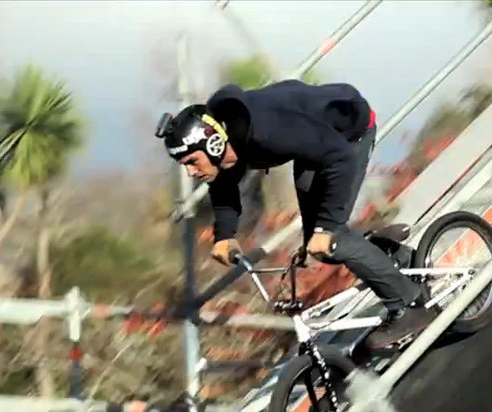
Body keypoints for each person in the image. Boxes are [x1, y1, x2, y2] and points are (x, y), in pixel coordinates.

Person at [155, 79, 436, 351]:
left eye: (191, 161)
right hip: (313, 146)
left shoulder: (266, 133)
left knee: (331, 236)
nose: (191, 172)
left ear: (213, 144)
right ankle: (389, 252)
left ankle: (410, 306)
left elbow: (341, 158)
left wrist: (326, 229)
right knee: (320, 246)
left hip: (347, 135)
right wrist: (224, 235)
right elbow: (224, 186)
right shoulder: (227, 140)